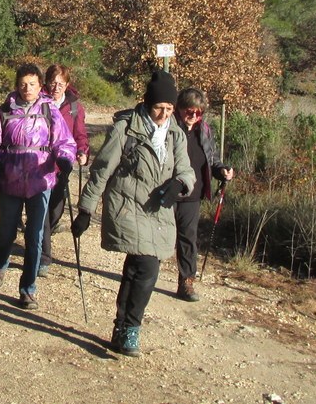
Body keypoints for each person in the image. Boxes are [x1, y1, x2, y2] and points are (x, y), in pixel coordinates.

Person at [72, 69, 194, 356]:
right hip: (127, 206)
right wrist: (86, 209)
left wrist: (181, 184)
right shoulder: (125, 129)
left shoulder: (175, 133)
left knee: (136, 269)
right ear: (146, 103)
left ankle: (121, 325)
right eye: (158, 108)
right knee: (147, 267)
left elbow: (186, 170)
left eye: (169, 108)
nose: (164, 114)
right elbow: (102, 170)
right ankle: (131, 330)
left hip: (159, 211)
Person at [0, 63, 77, 310]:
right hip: (9, 180)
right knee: (6, 232)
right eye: (23, 84)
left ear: (39, 85)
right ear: (17, 85)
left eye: (32, 84)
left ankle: (28, 289)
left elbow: (64, 140)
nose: (27, 88)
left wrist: (65, 159)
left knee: (34, 237)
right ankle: (1, 262)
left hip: (40, 181)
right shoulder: (5, 111)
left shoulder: (49, 110)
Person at [174, 87, 234, 301]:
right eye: (190, 111)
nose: (193, 116)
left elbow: (212, 159)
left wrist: (222, 170)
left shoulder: (205, 131)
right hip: (167, 192)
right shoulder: (169, 128)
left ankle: (187, 282)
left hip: (192, 195)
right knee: (159, 235)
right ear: (180, 109)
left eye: (198, 113)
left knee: (188, 239)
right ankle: (145, 276)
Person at [38, 64, 90, 277]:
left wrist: (83, 152)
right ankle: (44, 257)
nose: (56, 87)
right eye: (52, 82)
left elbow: (80, 135)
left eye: (61, 83)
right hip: (40, 164)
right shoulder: (38, 101)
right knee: (42, 209)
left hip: (63, 164)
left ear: (67, 85)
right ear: (46, 82)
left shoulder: (75, 107)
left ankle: (39, 233)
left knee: (55, 209)